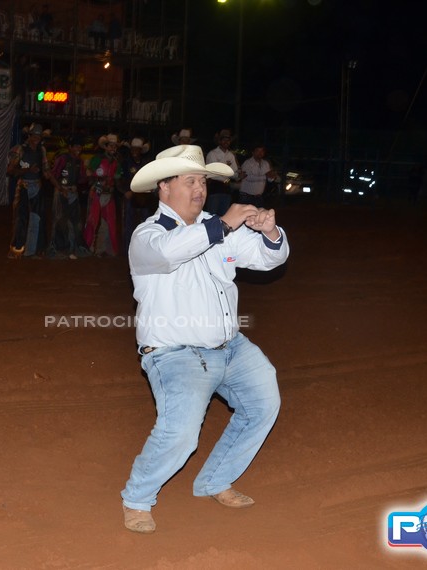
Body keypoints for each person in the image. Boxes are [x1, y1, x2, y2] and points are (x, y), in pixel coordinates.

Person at [120, 144, 289, 534]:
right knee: (180, 433)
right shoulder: (148, 236)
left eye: (203, 181)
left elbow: (268, 259)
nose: (200, 188)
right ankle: (137, 499)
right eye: (190, 180)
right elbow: (174, 251)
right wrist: (223, 225)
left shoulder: (217, 224)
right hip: (175, 354)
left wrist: (270, 232)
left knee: (263, 405)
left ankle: (214, 481)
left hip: (230, 346)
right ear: (163, 188)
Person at [7, 123, 58, 259]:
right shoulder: (20, 150)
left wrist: (58, 186)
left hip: (37, 186)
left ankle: (32, 250)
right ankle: (17, 250)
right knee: (20, 219)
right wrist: (27, 170)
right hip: (23, 186)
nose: (36, 138)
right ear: (29, 136)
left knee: (37, 219)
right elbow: (10, 170)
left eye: (38, 136)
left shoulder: (41, 150)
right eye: (34, 135)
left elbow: (46, 171)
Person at [48, 135, 89, 260]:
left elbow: (82, 179)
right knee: (60, 220)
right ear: (70, 147)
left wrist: (88, 175)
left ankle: (72, 248)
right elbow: (52, 175)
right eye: (76, 146)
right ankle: (56, 249)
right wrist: (61, 189)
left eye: (80, 146)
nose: (78, 148)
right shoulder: (63, 159)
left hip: (72, 192)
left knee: (75, 222)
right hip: (62, 192)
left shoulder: (79, 161)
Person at [84, 133, 122, 256]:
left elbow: (117, 179)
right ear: (105, 146)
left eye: (114, 146)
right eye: (110, 146)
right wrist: (98, 181)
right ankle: (88, 247)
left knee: (108, 222)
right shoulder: (97, 159)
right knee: (92, 221)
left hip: (109, 194)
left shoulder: (116, 162)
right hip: (97, 193)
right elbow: (88, 175)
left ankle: (102, 249)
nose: (112, 148)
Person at [119, 137, 153, 252]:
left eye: (137, 149)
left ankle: (144, 248)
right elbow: (119, 179)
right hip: (130, 197)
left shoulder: (146, 163)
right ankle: (128, 248)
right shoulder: (125, 163)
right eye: (132, 149)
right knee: (129, 223)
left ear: (141, 150)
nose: (134, 151)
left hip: (143, 197)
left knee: (145, 222)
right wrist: (125, 192)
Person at [205, 129, 243, 216]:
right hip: (215, 187)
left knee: (224, 216)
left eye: (228, 140)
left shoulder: (231, 155)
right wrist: (228, 178)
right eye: (224, 139)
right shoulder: (212, 154)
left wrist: (239, 176)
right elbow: (213, 172)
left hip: (226, 189)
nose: (226, 142)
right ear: (220, 141)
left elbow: (234, 172)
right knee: (211, 215)